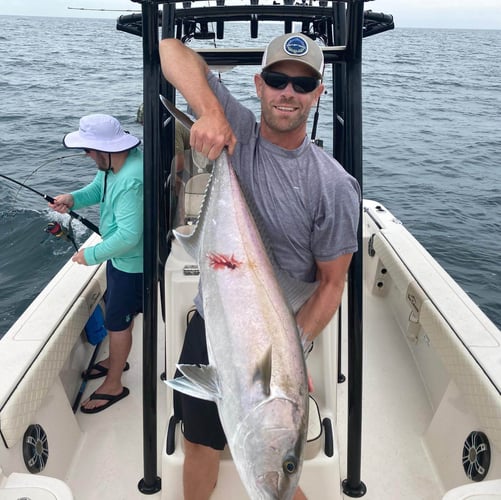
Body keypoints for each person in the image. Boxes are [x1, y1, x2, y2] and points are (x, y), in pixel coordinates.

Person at [159, 32, 361, 499]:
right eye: (277, 80)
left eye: (303, 84)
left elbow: (332, 284)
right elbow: (170, 50)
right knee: (199, 444)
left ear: (318, 93)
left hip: (277, 338)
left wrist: (291, 350)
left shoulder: (333, 185)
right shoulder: (238, 128)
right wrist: (209, 114)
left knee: (281, 470)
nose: (288, 92)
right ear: (259, 83)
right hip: (212, 323)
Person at [49, 114, 143, 414]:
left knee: (118, 322)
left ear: (104, 147)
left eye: (88, 149)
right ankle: (116, 359)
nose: (86, 155)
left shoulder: (131, 179)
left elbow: (129, 236)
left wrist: (90, 255)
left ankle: (114, 383)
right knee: (115, 314)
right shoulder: (113, 165)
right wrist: (71, 199)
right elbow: (96, 190)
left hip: (132, 263)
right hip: (119, 259)